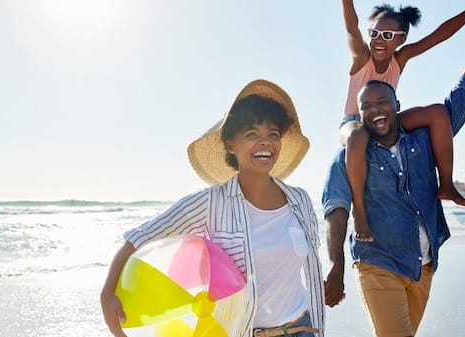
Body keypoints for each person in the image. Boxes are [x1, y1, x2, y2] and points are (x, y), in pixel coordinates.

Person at [101, 80, 326, 337]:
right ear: (231, 144)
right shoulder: (211, 203)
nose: (265, 143)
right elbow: (140, 237)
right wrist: (107, 293)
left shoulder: (300, 200)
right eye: (252, 134)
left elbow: (303, 266)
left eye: (273, 135)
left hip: (303, 328)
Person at [323, 37, 465, 337]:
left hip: (423, 266)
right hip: (377, 263)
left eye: (382, 101)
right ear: (359, 115)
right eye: (366, 106)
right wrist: (337, 264)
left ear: (397, 105)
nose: (375, 110)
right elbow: (335, 207)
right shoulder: (349, 157)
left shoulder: (426, 140)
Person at [340, 0, 465, 242]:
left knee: (438, 113)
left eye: (387, 35)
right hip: (355, 122)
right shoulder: (361, 57)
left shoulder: (401, 58)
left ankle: (447, 184)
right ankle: (359, 212)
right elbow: (351, 27)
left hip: (387, 119)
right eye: (374, 33)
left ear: (401, 40)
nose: (378, 39)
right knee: (358, 135)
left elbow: (440, 35)